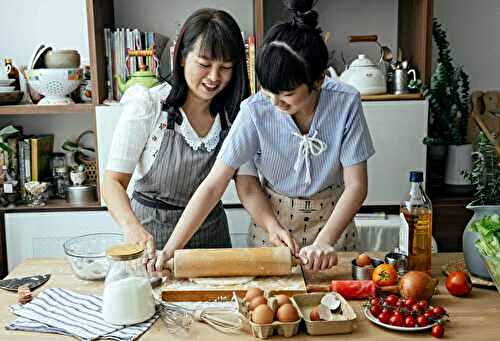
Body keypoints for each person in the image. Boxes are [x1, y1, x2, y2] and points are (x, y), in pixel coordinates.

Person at [153, 0, 375, 274]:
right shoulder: (254, 110)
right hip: (272, 231)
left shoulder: (345, 102)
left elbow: (356, 186)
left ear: (317, 80)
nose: (274, 103)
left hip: (333, 232)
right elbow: (213, 186)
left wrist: (325, 242)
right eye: (269, 91)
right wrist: (169, 250)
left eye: (287, 94)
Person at [102, 8, 249, 270]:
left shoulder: (234, 115)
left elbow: (246, 184)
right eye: (204, 64)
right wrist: (131, 228)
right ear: (181, 57)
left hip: (211, 243)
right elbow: (113, 182)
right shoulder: (148, 106)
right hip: (150, 243)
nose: (214, 77)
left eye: (225, 68)